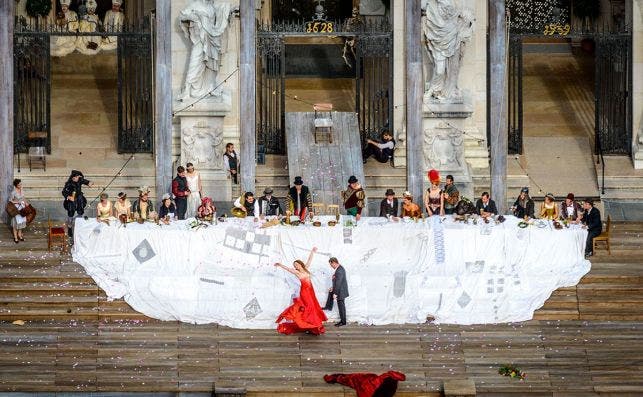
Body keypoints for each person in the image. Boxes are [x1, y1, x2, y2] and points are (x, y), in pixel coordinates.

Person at [274, 247, 327, 335]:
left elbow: (310, 260)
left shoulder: (306, 268)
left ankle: (311, 325)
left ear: (300, 263)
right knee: (308, 307)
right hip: (304, 292)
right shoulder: (297, 272)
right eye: (294, 266)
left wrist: (312, 252)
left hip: (310, 291)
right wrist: (280, 265)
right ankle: (311, 324)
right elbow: (288, 269)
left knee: (312, 307)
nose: (296, 266)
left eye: (296, 264)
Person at [324, 371, 406, 397]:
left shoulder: (372, 385)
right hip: (375, 388)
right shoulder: (374, 384)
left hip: (373, 388)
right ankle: (337, 378)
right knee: (353, 378)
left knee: (353, 378)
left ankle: (337, 378)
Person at [62, 170, 93, 237]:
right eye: (76, 177)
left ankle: (78, 224)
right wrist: (68, 197)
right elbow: (64, 192)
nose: (77, 179)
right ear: (73, 177)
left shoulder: (80, 180)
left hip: (79, 198)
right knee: (71, 212)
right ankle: (70, 226)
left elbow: (86, 181)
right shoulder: (69, 183)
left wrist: (90, 183)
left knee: (80, 211)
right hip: (72, 199)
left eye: (78, 177)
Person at [322, 256, 349, 327]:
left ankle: (343, 322)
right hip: (340, 290)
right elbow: (337, 281)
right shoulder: (340, 269)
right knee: (341, 306)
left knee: (341, 307)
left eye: (331, 265)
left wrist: (335, 293)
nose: (331, 266)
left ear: (334, 263)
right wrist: (332, 288)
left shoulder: (339, 270)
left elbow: (338, 283)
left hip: (340, 291)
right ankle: (343, 321)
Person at [9, 179, 28, 244]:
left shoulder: (22, 190)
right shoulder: (13, 192)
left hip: (22, 208)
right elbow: (10, 200)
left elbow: (23, 197)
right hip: (16, 209)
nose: (20, 185)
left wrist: (26, 203)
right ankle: (15, 237)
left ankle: (19, 235)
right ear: (16, 185)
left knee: (21, 223)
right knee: (16, 224)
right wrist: (17, 202)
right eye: (19, 184)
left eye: (21, 184)